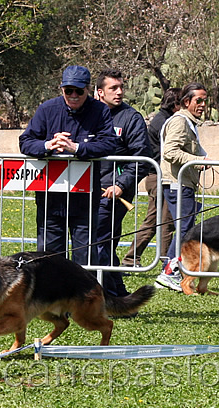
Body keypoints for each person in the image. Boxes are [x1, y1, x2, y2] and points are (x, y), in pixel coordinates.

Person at [19, 65, 118, 265]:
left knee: (85, 261)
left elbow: (109, 143)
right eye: (68, 90)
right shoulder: (47, 109)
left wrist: (77, 148)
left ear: (88, 90)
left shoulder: (99, 110)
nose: (73, 95)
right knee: (50, 262)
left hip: (85, 201)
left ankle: (83, 296)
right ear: (61, 89)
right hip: (50, 200)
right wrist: (48, 145)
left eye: (79, 91)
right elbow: (26, 141)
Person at [94, 68, 152, 296]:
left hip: (116, 194)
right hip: (87, 190)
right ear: (100, 92)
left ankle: (113, 296)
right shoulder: (90, 114)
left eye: (121, 87)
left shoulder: (131, 118)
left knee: (99, 242)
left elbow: (142, 159)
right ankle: (119, 295)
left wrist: (121, 184)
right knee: (101, 245)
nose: (119, 92)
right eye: (113, 88)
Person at [154, 83, 211, 291]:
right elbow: (169, 151)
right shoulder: (180, 122)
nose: (203, 105)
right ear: (186, 102)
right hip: (178, 183)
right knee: (185, 229)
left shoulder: (189, 122)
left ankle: (171, 270)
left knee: (185, 228)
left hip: (184, 183)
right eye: (199, 100)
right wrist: (196, 160)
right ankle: (170, 272)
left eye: (205, 100)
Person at [121, 88, 181, 267]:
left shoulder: (162, 119)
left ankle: (133, 259)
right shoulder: (165, 122)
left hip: (157, 177)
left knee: (157, 221)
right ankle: (163, 263)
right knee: (164, 223)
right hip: (159, 177)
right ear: (176, 104)